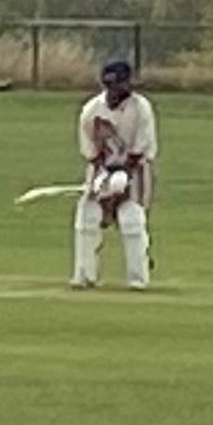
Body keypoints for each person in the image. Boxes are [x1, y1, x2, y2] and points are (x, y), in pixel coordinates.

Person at [71, 59, 157, 290]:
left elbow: (140, 150)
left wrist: (121, 179)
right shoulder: (91, 110)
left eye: (120, 85)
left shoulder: (141, 108)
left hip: (136, 171)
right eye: (111, 85)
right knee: (87, 218)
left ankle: (138, 278)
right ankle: (84, 275)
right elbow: (90, 150)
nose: (116, 91)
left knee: (131, 220)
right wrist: (102, 178)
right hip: (100, 170)